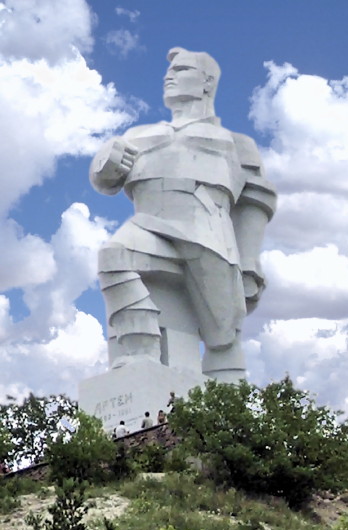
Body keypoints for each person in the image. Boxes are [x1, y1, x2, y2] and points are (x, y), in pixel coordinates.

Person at [90, 47, 276, 383]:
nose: (169, 76)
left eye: (182, 69)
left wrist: (250, 260)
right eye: (168, 71)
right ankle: (140, 350)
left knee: (223, 336)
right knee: (114, 256)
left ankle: (230, 413)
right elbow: (106, 180)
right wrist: (106, 162)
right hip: (149, 226)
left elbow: (255, 202)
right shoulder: (137, 136)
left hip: (209, 235)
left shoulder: (236, 142)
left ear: (207, 83)